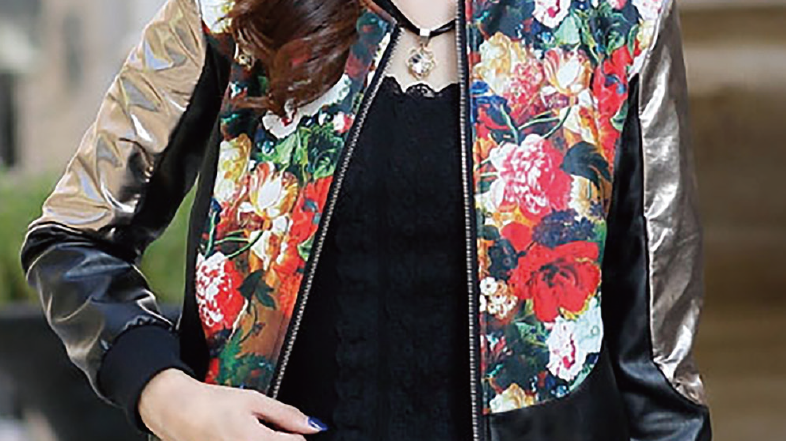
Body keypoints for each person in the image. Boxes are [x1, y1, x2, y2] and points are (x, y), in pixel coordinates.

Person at [20, 0, 712, 440]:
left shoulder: (617, 21)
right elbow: (73, 237)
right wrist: (168, 397)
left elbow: (655, 367)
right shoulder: (230, 12)